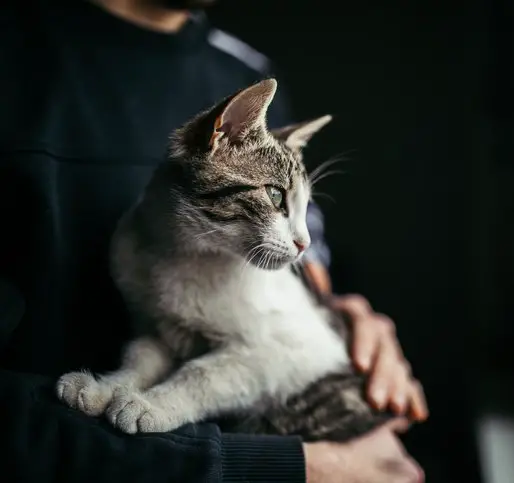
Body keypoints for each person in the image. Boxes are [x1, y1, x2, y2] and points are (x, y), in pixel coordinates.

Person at [0, 0, 427, 482]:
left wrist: (343, 311)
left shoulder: (248, 69)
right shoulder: (14, 56)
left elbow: (304, 256)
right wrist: (295, 467)